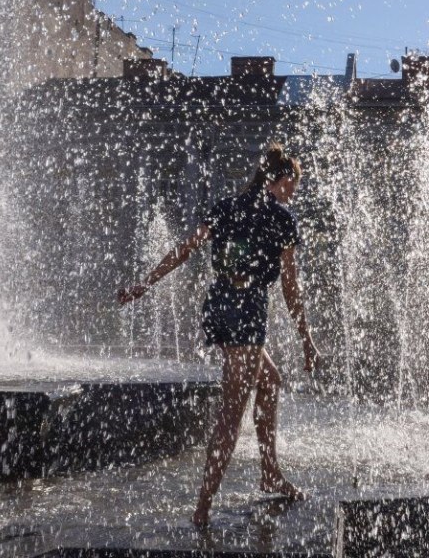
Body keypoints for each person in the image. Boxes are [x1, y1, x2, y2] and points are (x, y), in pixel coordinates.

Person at [118, 143, 320, 528]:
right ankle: (203, 506)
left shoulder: (227, 207)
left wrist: (143, 285)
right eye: (291, 185)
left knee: (270, 382)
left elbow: (185, 249)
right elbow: (291, 289)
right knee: (231, 414)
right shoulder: (281, 219)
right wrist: (306, 338)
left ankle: (270, 472)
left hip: (219, 305)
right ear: (278, 182)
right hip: (246, 313)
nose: (293, 193)